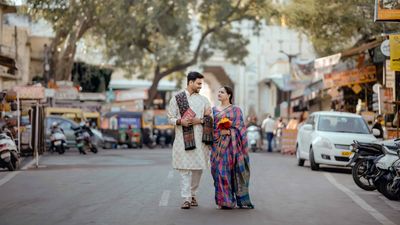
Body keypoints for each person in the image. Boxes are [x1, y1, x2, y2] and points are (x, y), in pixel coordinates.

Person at [167, 71, 212, 210]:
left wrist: (199, 120)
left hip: (200, 140)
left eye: (201, 84)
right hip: (182, 139)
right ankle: (186, 198)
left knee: (198, 169)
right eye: (198, 83)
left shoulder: (204, 100)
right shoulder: (177, 99)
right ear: (190, 82)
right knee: (185, 170)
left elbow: (209, 120)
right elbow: (170, 118)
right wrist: (181, 121)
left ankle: (193, 194)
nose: (200, 86)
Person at [211, 86, 254, 209]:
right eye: (218, 91)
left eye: (222, 92)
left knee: (228, 172)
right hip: (217, 146)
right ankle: (222, 199)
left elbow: (241, 128)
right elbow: (210, 128)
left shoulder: (236, 110)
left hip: (232, 147)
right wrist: (219, 134)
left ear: (229, 95)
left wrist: (230, 132)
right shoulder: (213, 110)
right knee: (217, 172)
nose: (219, 94)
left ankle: (227, 201)